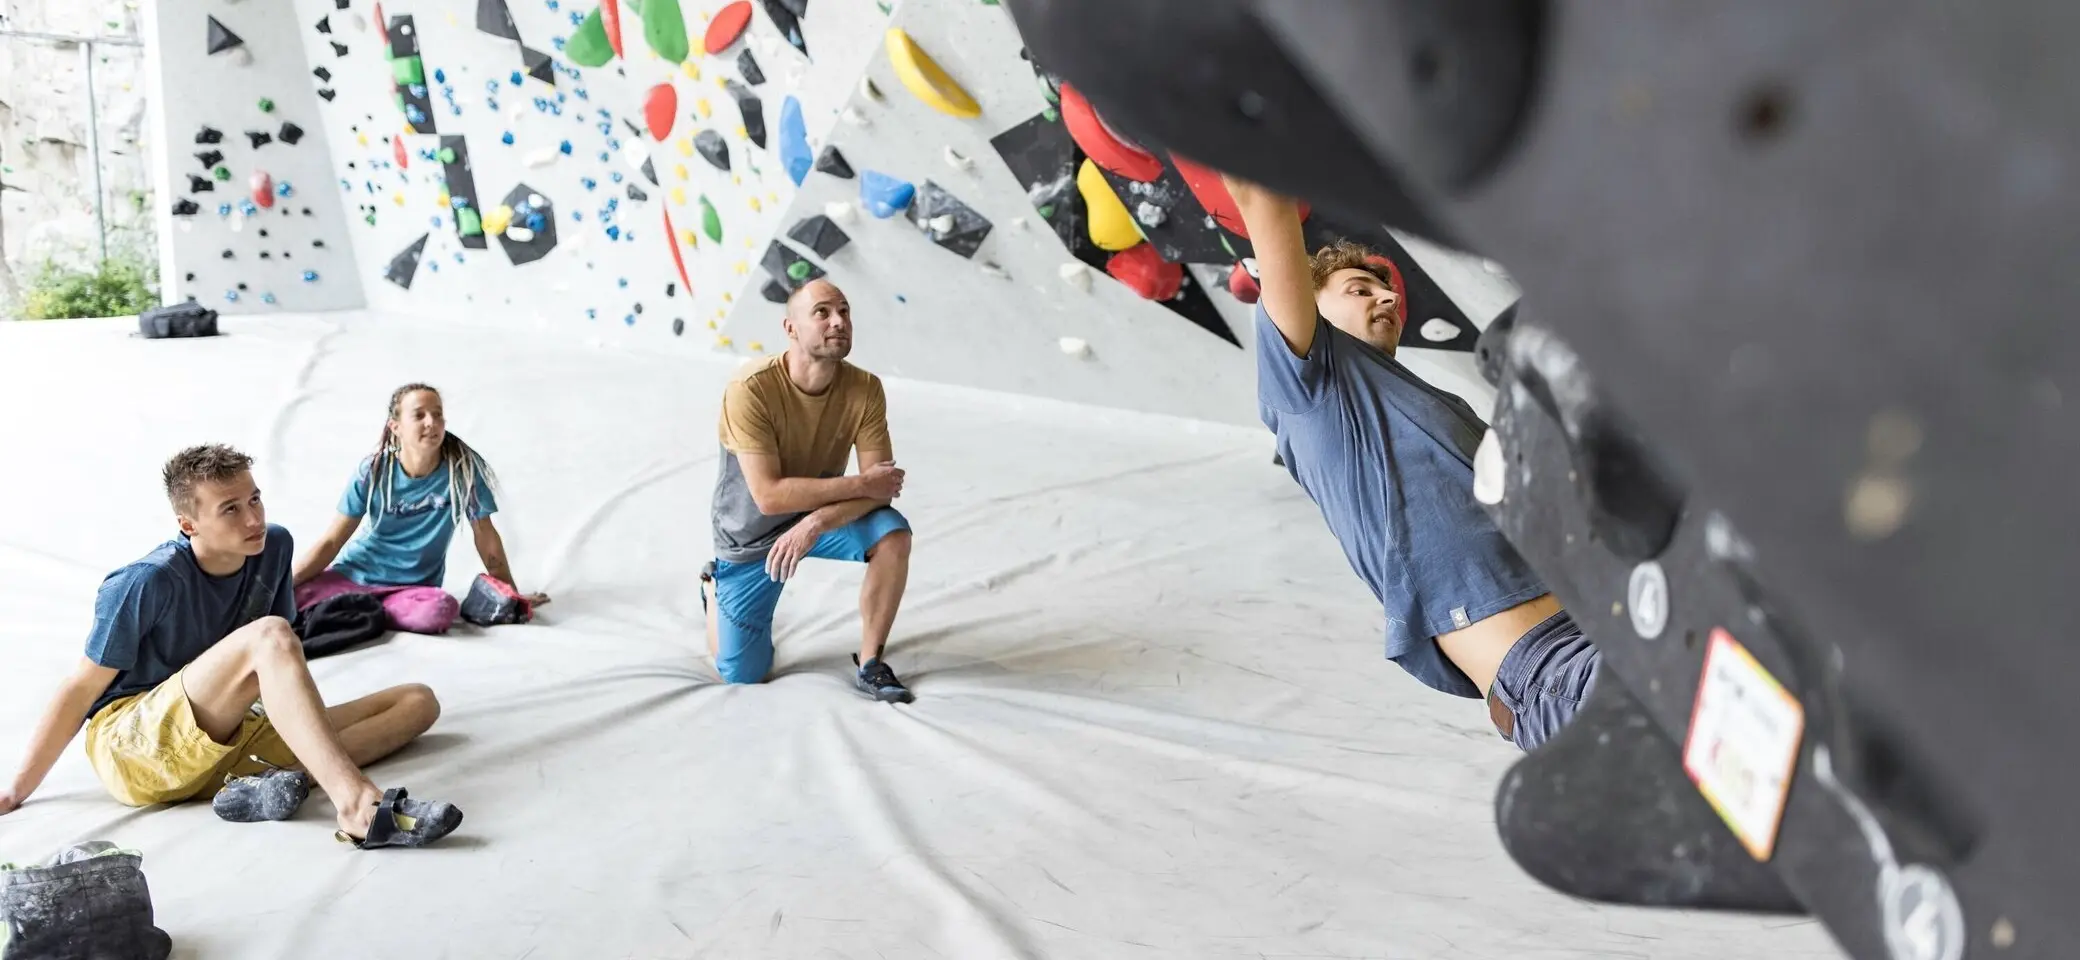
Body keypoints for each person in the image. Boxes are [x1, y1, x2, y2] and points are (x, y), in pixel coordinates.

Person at [1225, 175, 1597, 751]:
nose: (1390, 298)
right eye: (1358, 290)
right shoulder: (1310, 387)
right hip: (1553, 667)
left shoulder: (1436, 406)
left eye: (1387, 291)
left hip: (1605, 628)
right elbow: (1260, 200)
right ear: (1308, 300)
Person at [0, 445, 462, 848]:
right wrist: (17, 789)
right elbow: (81, 688)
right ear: (188, 524)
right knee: (270, 635)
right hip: (135, 745)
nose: (254, 518)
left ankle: (264, 786)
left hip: (227, 733)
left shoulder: (273, 546)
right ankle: (359, 808)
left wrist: (305, 730)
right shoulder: (146, 582)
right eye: (230, 509)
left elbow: (273, 671)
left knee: (418, 701)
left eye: (255, 499)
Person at [701, 278, 916, 702]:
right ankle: (712, 590)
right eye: (822, 312)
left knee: (892, 532)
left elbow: (882, 489)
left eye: (845, 311)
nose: (838, 321)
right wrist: (858, 485)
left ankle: (871, 662)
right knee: (743, 674)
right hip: (752, 535)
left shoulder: (865, 388)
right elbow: (769, 496)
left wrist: (818, 521)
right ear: (791, 328)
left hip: (820, 516)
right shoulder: (751, 389)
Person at [293, 383, 548, 633]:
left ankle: (359, 611)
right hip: (356, 575)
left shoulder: (463, 472)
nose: (431, 422)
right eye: (419, 415)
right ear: (396, 427)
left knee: (439, 611)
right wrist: (285, 585)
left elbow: (486, 535)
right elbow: (331, 541)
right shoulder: (372, 472)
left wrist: (509, 594)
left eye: (437, 414)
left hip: (413, 589)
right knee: (292, 598)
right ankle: (362, 609)